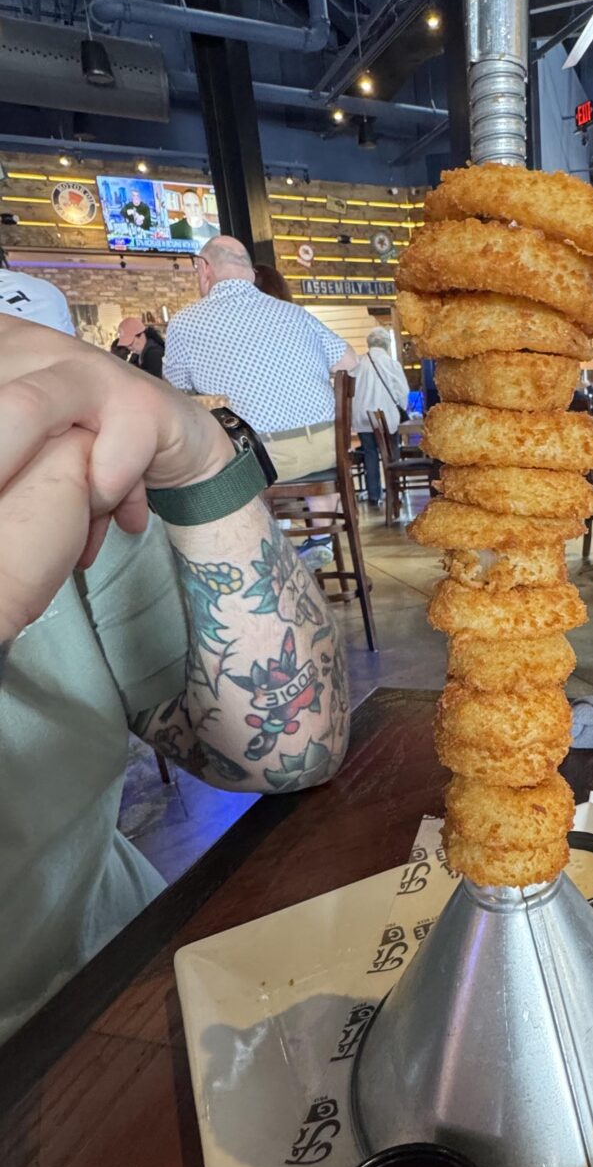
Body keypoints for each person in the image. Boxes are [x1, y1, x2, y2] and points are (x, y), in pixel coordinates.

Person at [0, 277, 349, 1042]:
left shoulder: (50, 441)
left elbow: (294, 752)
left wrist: (203, 462)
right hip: (327, 464)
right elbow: (341, 366)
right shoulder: (290, 316)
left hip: (108, 978)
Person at [163, 236, 356, 480]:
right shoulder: (295, 313)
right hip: (329, 448)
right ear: (250, 272)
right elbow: (350, 362)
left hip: (260, 458)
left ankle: (254, 517)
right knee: (316, 484)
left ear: (203, 267)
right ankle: (323, 515)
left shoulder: (185, 324)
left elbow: (176, 393)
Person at [352, 321, 411, 508]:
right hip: (387, 420)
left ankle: (374, 495)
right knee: (392, 454)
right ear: (386, 344)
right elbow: (403, 392)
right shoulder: (391, 364)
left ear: (369, 344)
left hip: (363, 418)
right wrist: (402, 409)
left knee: (370, 453)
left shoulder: (358, 364)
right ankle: (394, 493)